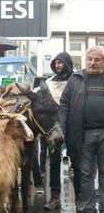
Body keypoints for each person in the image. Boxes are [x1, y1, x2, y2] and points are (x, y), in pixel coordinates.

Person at [59, 46, 104, 213]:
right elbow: (64, 105)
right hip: (82, 135)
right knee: (85, 174)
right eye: (90, 59)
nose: (93, 62)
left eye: (97, 59)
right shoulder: (75, 79)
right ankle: (90, 208)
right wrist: (62, 129)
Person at [43, 52, 77, 210]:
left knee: (77, 161)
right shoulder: (49, 83)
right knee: (54, 162)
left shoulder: (77, 80)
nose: (57, 66)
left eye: (60, 63)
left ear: (67, 63)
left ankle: (80, 196)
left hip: (74, 125)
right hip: (55, 127)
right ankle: (55, 196)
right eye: (55, 63)